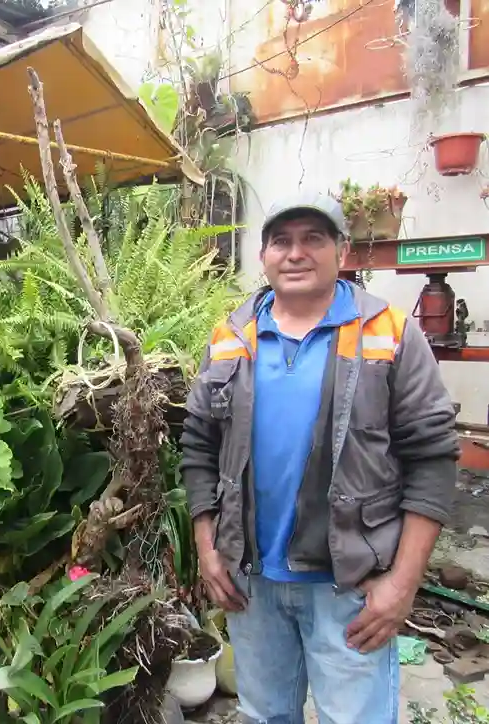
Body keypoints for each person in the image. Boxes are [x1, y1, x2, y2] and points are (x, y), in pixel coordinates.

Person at [180, 192, 459, 724]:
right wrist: (208, 546)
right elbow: (198, 444)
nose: (296, 253)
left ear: (342, 251)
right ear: (263, 256)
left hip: (351, 588)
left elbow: (433, 461)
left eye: (313, 238)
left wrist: (401, 584)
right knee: (264, 715)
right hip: (253, 586)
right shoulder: (230, 338)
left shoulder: (389, 333)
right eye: (281, 241)